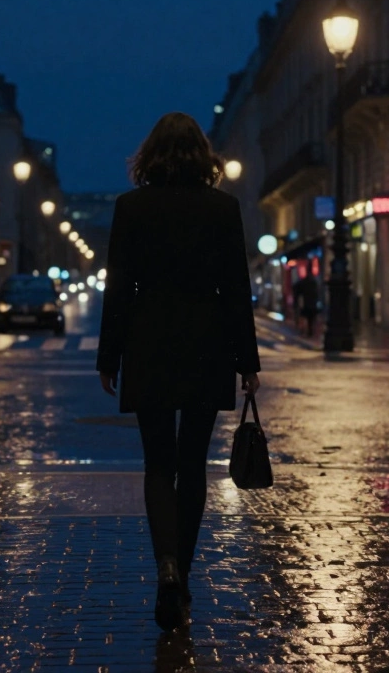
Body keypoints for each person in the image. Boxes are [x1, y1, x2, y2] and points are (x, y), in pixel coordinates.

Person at [96, 112, 261, 632]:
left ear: (150, 156)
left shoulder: (131, 208)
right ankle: (182, 578)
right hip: (207, 343)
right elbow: (237, 288)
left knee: (156, 465)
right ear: (203, 157)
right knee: (192, 467)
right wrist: (247, 361)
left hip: (148, 343)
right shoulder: (222, 209)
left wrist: (109, 356)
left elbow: (118, 287)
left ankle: (164, 563)